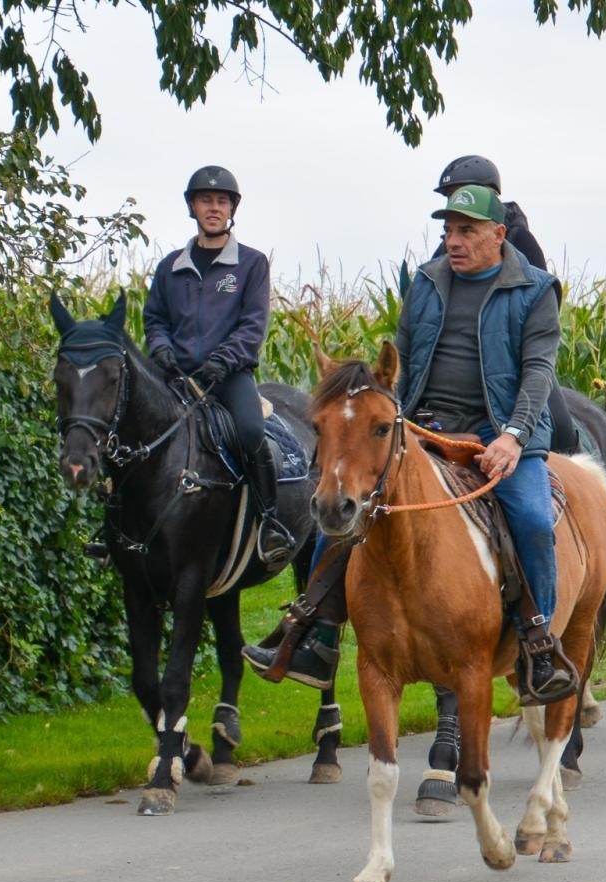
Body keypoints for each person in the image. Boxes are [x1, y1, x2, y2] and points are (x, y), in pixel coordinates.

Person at [243, 184, 577, 704]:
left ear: (498, 234)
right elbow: (400, 351)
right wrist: (370, 393)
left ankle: (538, 646)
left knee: (533, 520)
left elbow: (538, 372)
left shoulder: (535, 290)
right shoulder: (426, 282)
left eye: (466, 231)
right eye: (447, 231)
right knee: (344, 501)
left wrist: (514, 437)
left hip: (500, 432)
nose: (453, 241)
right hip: (424, 425)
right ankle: (316, 635)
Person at [143, 164, 295, 564]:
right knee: (132, 425)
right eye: (206, 200)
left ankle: (269, 523)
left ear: (232, 209)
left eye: (221, 201)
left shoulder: (251, 264)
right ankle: (117, 527)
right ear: (192, 207)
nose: (214, 207)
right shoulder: (170, 267)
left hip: (228, 376)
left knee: (249, 431)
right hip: (174, 375)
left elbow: (252, 325)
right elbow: (155, 319)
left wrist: (221, 362)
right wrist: (159, 349)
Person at [430, 154, 577, 454]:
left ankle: (580, 485)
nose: (456, 200)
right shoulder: (443, 247)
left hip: (512, 363)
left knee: (561, 429)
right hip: (457, 372)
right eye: (450, 195)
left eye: (461, 191)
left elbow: (544, 306)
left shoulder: (521, 240)